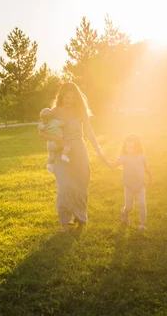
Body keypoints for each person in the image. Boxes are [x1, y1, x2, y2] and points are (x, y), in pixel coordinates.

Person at [39, 82, 106, 232]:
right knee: (65, 186)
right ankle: (65, 221)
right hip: (61, 151)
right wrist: (59, 141)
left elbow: (89, 132)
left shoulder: (80, 110)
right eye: (66, 98)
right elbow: (43, 133)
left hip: (79, 150)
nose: (69, 101)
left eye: (72, 98)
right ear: (61, 97)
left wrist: (98, 150)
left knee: (81, 184)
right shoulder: (54, 111)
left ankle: (80, 216)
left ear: (77, 98)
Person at [106, 134, 153, 230]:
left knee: (141, 203)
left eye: (132, 147)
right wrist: (103, 159)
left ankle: (142, 224)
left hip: (140, 185)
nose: (129, 150)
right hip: (129, 185)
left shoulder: (141, 157)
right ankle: (124, 212)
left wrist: (151, 178)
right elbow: (112, 165)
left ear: (137, 147)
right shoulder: (124, 157)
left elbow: (146, 168)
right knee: (129, 207)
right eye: (127, 147)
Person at [39, 108, 71, 174]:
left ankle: (49, 165)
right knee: (67, 146)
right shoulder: (55, 122)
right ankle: (64, 155)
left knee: (51, 155)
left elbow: (40, 130)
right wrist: (60, 118)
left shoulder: (42, 125)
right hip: (59, 140)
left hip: (50, 143)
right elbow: (64, 123)